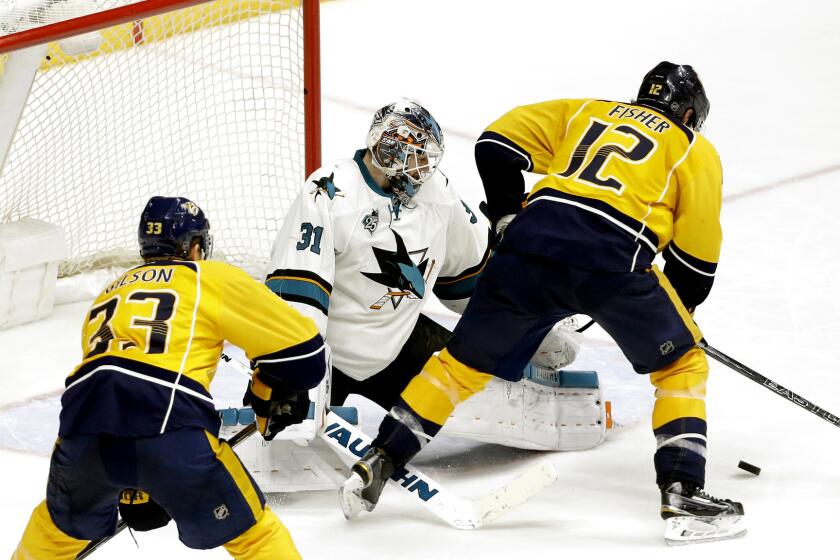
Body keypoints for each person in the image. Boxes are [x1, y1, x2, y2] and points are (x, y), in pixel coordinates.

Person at [342, 62, 745, 526]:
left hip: (527, 249)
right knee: (682, 364)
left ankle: (379, 459)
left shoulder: (586, 111)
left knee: (458, 367)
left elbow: (495, 144)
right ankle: (682, 492)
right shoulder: (693, 148)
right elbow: (695, 265)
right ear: (691, 116)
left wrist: (508, 216)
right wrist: (680, 322)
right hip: (611, 260)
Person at [251, 99, 583, 487]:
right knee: (282, 419)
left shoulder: (437, 194)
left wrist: (529, 327)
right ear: (391, 149)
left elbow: (468, 282)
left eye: (428, 159)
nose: (424, 169)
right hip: (327, 356)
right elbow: (300, 291)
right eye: (417, 157)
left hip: (399, 341)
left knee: (479, 379)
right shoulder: (329, 193)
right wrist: (287, 366)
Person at [13, 196, 327, 559]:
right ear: (195, 247)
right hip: (168, 420)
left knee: (54, 535)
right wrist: (268, 388)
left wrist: (135, 486)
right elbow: (305, 355)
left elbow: (115, 393)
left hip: (81, 431)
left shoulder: (108, 294)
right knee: (254, 538)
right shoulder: (206, 278)